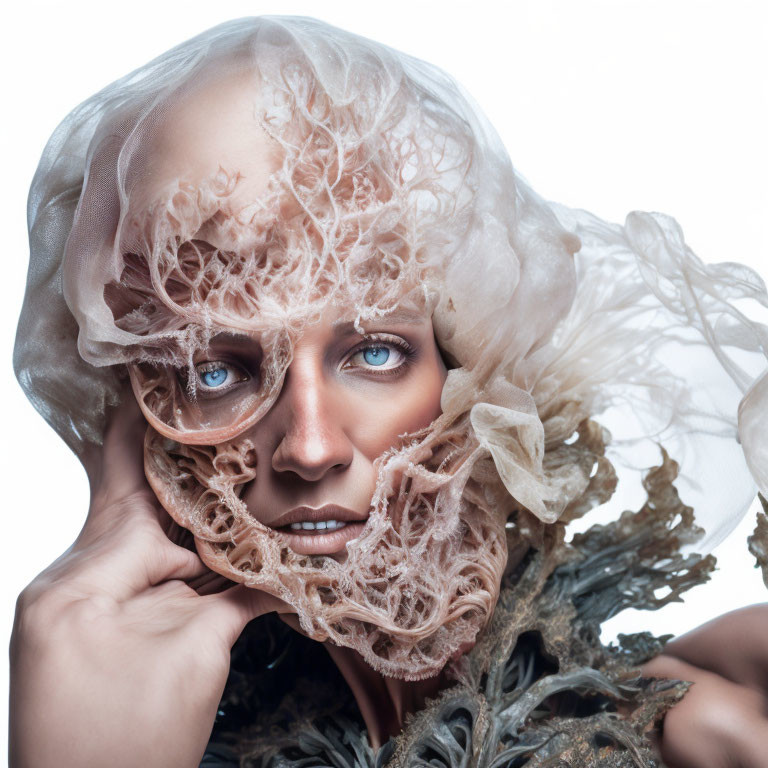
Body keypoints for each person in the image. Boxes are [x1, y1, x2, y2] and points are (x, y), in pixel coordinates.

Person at [9, 15, 768, 768]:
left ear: (469, 372)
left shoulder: (695, 721)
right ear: (144, 415)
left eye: (374, 352)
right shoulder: (129, 708)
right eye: (217, 370)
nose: (309, 448)